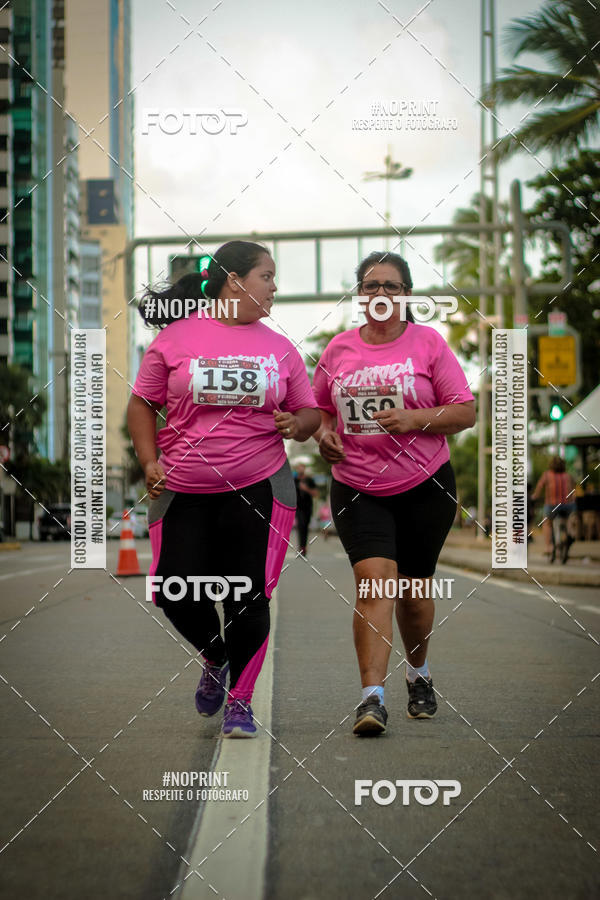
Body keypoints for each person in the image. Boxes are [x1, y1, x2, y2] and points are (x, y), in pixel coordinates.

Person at [127, 241, 320, 738]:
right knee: (175, 590)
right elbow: (142, 403)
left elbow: (309, 412)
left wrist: (296, 424)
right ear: (235, 281)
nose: (274, 287)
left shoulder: (280, 348)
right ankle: (216, 656)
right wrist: (148, 461)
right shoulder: (175, 339)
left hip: (259, 486)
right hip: (183, 489)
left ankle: (241, 701)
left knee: (247, 597)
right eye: (266, 277)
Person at [312, 251, 476, 736]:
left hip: (425, 485)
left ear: (406, 295)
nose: (380, 293)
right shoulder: (338, 350)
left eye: (391, 286)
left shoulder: (428, 344)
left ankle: (419, 673)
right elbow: (319, 410)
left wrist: (413, 418)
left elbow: (464, 412)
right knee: (374, 583)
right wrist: (324, 435)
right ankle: (371, 699)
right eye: (371, 286)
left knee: (414, 594)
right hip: (357, 485)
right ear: (359, 295)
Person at [531, 456, 575, 556]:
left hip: (552, 505)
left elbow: (538, 489)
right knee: (568, 519)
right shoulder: (568, 476)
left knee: (547, 523)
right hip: (567, 505)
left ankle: (549, 547)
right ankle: (569, 533)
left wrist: (534, 497)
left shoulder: (547, 475)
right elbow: (573, 490)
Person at [293, 462, 318, 555]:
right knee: (300, 526)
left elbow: (316, 494)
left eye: (302, 468)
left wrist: (306, 489)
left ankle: (304, 547)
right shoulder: (294, 480)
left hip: (307, 508)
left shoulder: (309, 480)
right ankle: (301, 547)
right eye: (299, 468)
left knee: (305, 527)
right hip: (298, 508)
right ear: (297, 469)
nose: (300, 470)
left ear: (304, 469)